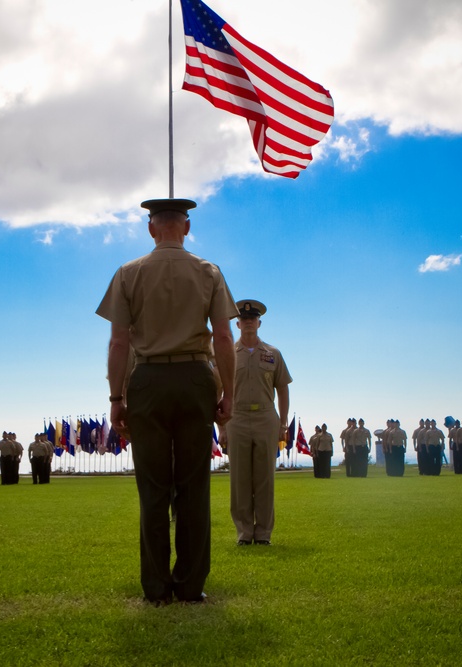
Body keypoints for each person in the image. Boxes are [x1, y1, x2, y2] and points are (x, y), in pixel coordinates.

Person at [96, 197, 236, 606]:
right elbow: (224, 338)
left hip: (148, 380)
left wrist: (116, 397)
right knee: (194, 486)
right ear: (186, 228)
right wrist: (227, 393)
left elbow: (119, 341)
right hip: (195, 378)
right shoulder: (208, 271)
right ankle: (191, 586)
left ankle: (156, 589)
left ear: (151, 228)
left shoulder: (128, 273)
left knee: (153, 488)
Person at [223, 299, 291, 547]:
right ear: (238, 323)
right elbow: (218, 391)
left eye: (253, 318)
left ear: (259, 323)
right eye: (244, 318)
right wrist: (221, 427)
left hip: (265, 417)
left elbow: (282, 389)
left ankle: (263, 533)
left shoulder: (273, 354)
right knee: (239, 479)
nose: (249, 321)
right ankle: (244, 533)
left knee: (265, 478)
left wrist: (283, 424)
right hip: (237, 418)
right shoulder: (227, 353)